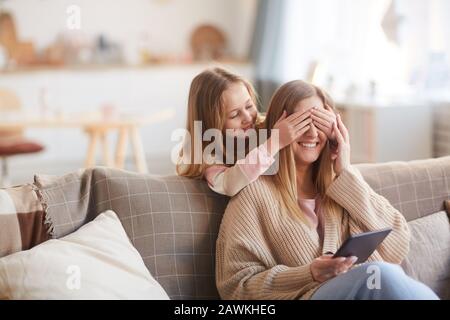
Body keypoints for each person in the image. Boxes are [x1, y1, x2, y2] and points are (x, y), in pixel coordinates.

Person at [215, 80, 439, 300]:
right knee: (377, 275)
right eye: (302, 123)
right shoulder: (253, 194)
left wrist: (345, 170)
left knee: (382, 275)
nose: (312, 133)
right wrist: (308, 274)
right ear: (280, 130)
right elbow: (236, 286)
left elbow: (398, 244)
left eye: (320, 122)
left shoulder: (343, 185)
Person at [176, 67, 311, 196]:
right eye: (234, 115)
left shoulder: (262, 126)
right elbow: (230, 184)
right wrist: (275, 142)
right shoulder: (208, 157)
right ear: (211, 124)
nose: (247, 117)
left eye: (249, 106)